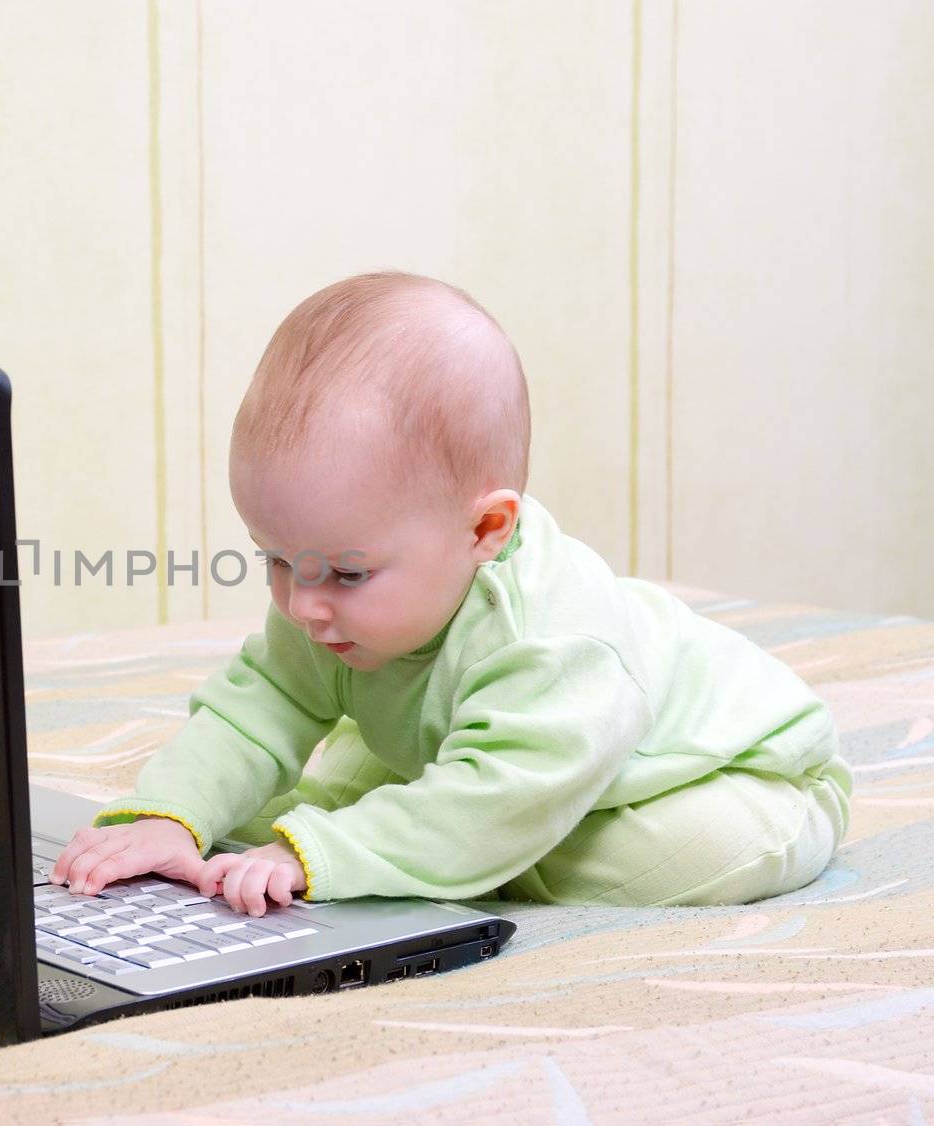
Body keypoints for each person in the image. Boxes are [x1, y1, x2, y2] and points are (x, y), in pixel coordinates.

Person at [48, 270, 851, 919]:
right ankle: (418, 832)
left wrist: (317, 853)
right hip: (506, 753)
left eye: (348, 573)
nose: (303, 605)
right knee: (301, 799)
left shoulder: (554, 640)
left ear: (486, 530)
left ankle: (432, 844)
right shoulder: (325, 597)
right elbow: (253, 710)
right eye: (276, 560)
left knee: (660, 849)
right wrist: (166, 814)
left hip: (741, 775)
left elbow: (501, 798)